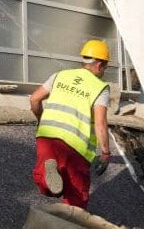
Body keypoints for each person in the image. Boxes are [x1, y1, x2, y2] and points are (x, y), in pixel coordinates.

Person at [30, 40, 113, 209]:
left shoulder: (59, 75)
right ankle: (72, 227)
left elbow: (34, 99)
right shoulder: (100, 87)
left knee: (46, 183)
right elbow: (100, 122)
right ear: (98, 65)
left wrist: (42, 120)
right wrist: (105, 153)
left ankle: (48, 176)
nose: (104, 71)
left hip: (47, 136)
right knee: (76, 196)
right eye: (105, 67)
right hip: (76, 146)